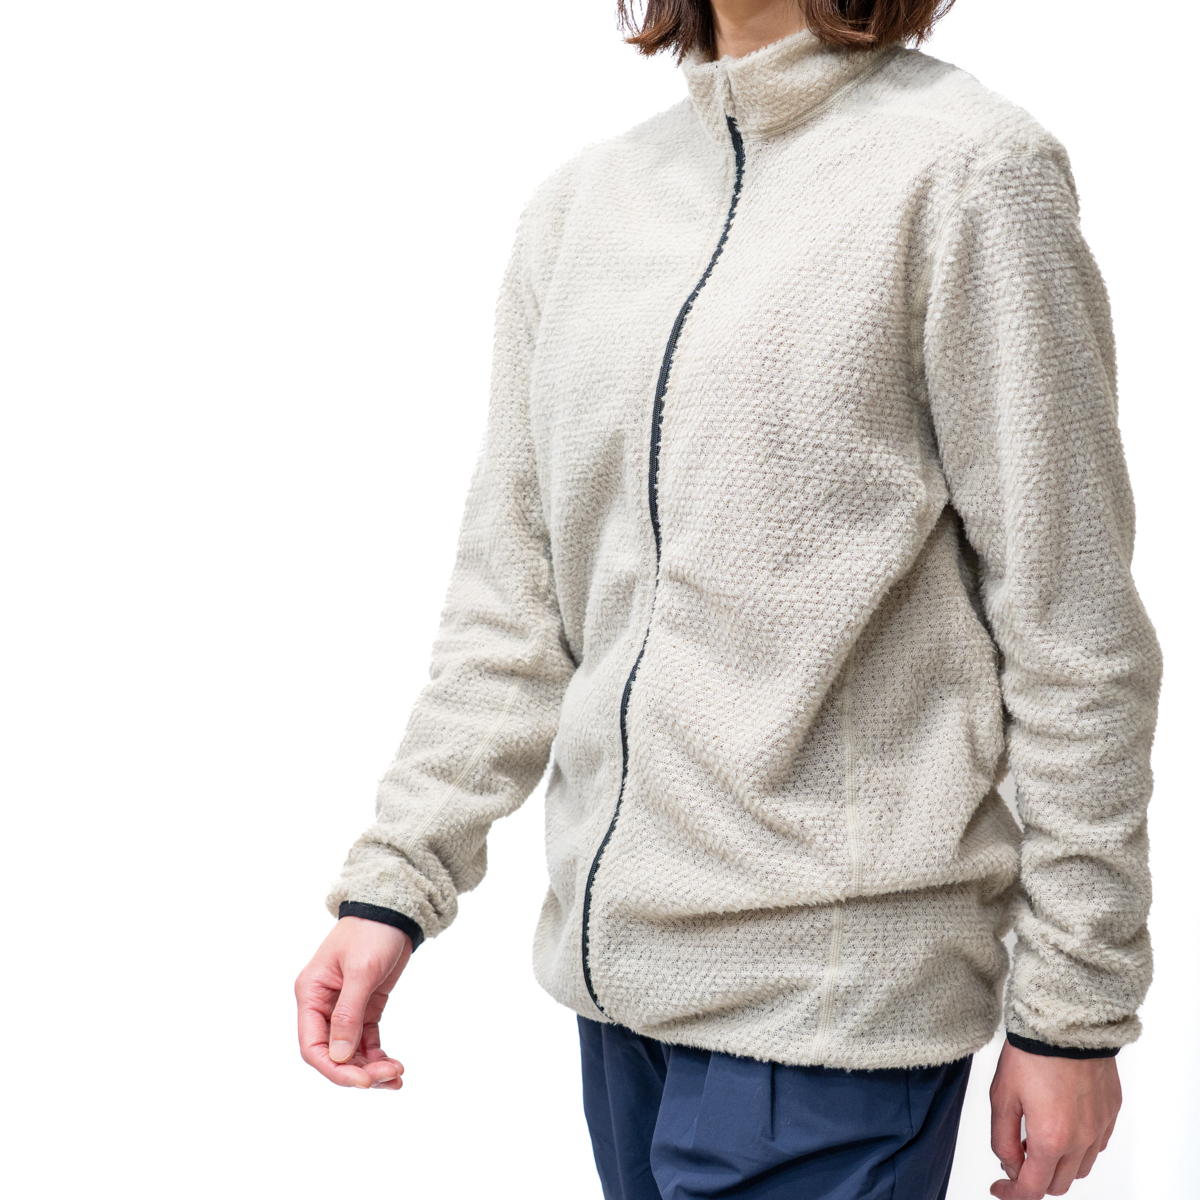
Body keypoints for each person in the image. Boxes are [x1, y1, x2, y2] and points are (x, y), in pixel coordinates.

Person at [294, 1, 1163, 1196]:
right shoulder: (580, 210)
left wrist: (1074, 1010)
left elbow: (1074, 630)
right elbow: (516, 603)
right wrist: (395, 885)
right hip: (619, 999)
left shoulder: (969, 173)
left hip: (835, 1007)